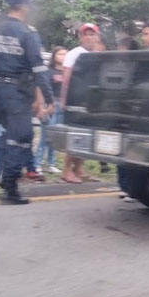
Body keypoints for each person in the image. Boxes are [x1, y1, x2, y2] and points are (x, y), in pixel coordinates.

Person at [0, 0, 55, 205]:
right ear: (23, 7)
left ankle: (4, 176)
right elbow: (39, 69)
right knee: (21, 138)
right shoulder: (26, 34)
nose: (30, 10)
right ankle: (10, 190)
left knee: (5, 136)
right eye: (28, 6)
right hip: (16, 95)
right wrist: (48, 98)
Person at [60, 23, 102, 184]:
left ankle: (79, 169)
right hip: (75, 99)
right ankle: (66, 170)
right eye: (86, 34)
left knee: (86, 135)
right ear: (80, 37)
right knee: (75, 135)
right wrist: (64, 99)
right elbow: (66, 79)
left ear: (98, 37)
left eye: (92, 34)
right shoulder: (74, 54)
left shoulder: (98, 55)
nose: (89, 37)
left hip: (91, 100)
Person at [34, 47, 67, 174]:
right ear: (54, 56)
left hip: (63, 105)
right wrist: (42, 107)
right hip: (51, 104)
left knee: (55, 137)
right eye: (60, 54)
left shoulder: (67, 71)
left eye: (65, 54)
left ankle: (51, 164)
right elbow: (41, 88)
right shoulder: (49, 71)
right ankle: (37, 164)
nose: (63, 56)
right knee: (45, 136)